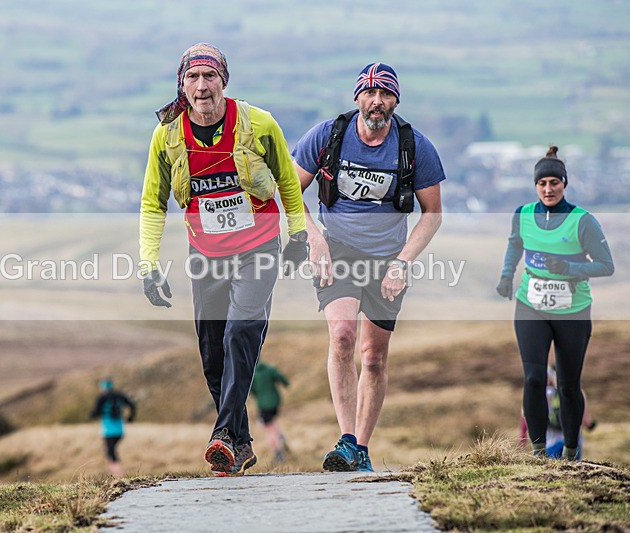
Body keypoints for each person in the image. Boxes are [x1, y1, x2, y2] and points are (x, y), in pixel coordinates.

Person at [139, 43, 308, 476]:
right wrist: (149, 265)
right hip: (206, 254)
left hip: (259, 247)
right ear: (182, 85)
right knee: (212, 353)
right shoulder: (168, 136)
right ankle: (241, 443)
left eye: (209, 77)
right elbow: (153, 203)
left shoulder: (258, 124)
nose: (201, 86)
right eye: (192, 78)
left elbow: (288, 180)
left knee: (240, 333)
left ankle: (221, 436)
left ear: (224, 81)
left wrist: (299, 234)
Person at [292, 62, 445, 472]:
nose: (377, 102)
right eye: (370, 93)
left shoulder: (414, 146)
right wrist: (315, 238)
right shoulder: (328, 135)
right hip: (337, 250)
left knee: (373, 357)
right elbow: (286, 192)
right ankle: (345, 440)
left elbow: (432, 213)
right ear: (357, 96)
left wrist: (403, 262)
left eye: (386, 94)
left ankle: (360, 446)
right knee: (342, 336)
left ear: (396, 100)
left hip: (388, 259)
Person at [497, 146, 613, 460]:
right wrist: (507, 276)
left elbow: (606, 265)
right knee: (534, 378)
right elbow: (514, 246)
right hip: (531, 305)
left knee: (568, 386)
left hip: (572, 311)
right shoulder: (523, 215)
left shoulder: (582, 221)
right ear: (535, 186)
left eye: (554, 183)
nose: (548, 189)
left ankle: (572, 452)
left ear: (564, 184)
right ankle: (536, 453)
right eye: (542, 184)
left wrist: (572, 269)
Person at [518, 364, 598, 459]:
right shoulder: (577, 392)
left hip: (550, 443)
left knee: (551, 472)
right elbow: (587, 422)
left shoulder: (540, 394)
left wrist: (522, 442)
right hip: (573, 443)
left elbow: (526, 415)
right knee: (572, 470)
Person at [89, 379, 136, 477]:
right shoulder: (120, 396)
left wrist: (91, 416)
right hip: (120, 430)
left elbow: (95, 413)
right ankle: (116, 474)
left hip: (108, 430)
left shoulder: (101, 398)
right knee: (111, 452)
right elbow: (132, 405)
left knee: (110, 452)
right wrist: (130, 418)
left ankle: (118, 475)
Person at [249, 360, 290, 462]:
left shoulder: (253, 375)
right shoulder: (269, 369)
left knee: (268, 429)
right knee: (273, 422)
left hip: (263, 405)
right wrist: (285, 383)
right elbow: (282, 378)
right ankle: (280, 435)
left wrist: (258, 396)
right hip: (275, 402)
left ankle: (278, 453)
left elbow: (251, 389)